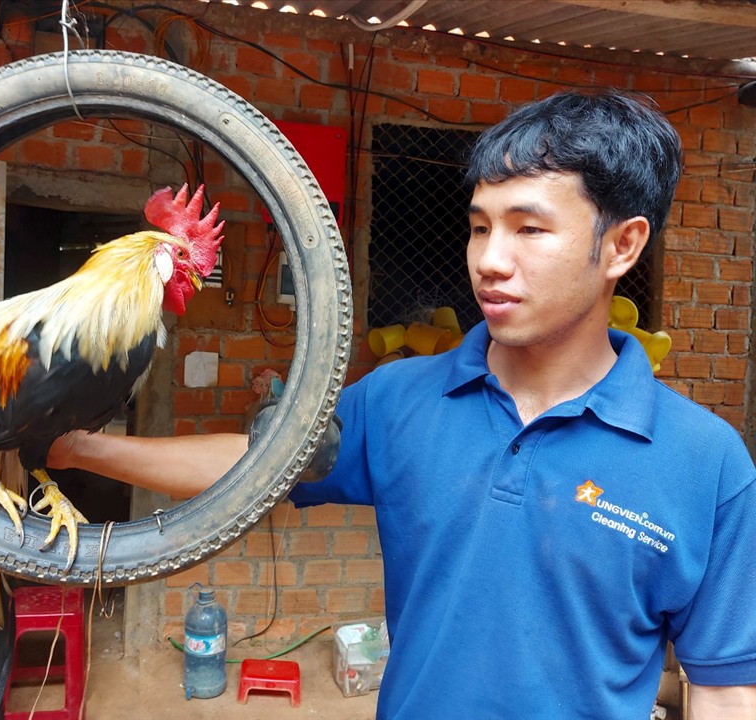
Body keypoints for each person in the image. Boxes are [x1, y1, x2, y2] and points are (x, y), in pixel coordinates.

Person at [48, 91, 756, 719]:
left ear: (622, 245)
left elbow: (725, 689)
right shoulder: (401, 398)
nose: (489, 259)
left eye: (529, 229)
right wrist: (80, 447)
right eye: (481, 226)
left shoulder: (707, 464)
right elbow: (254, 465)